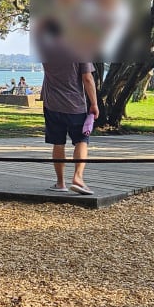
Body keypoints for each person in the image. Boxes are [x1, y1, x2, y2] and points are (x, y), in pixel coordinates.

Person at [36, 41, 98, 195]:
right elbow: (87, 78)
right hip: (75, 104)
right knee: (81, 141)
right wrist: (94, 104)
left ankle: (60, 183)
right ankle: (78, 178)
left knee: (58, 143)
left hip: (52, 104)